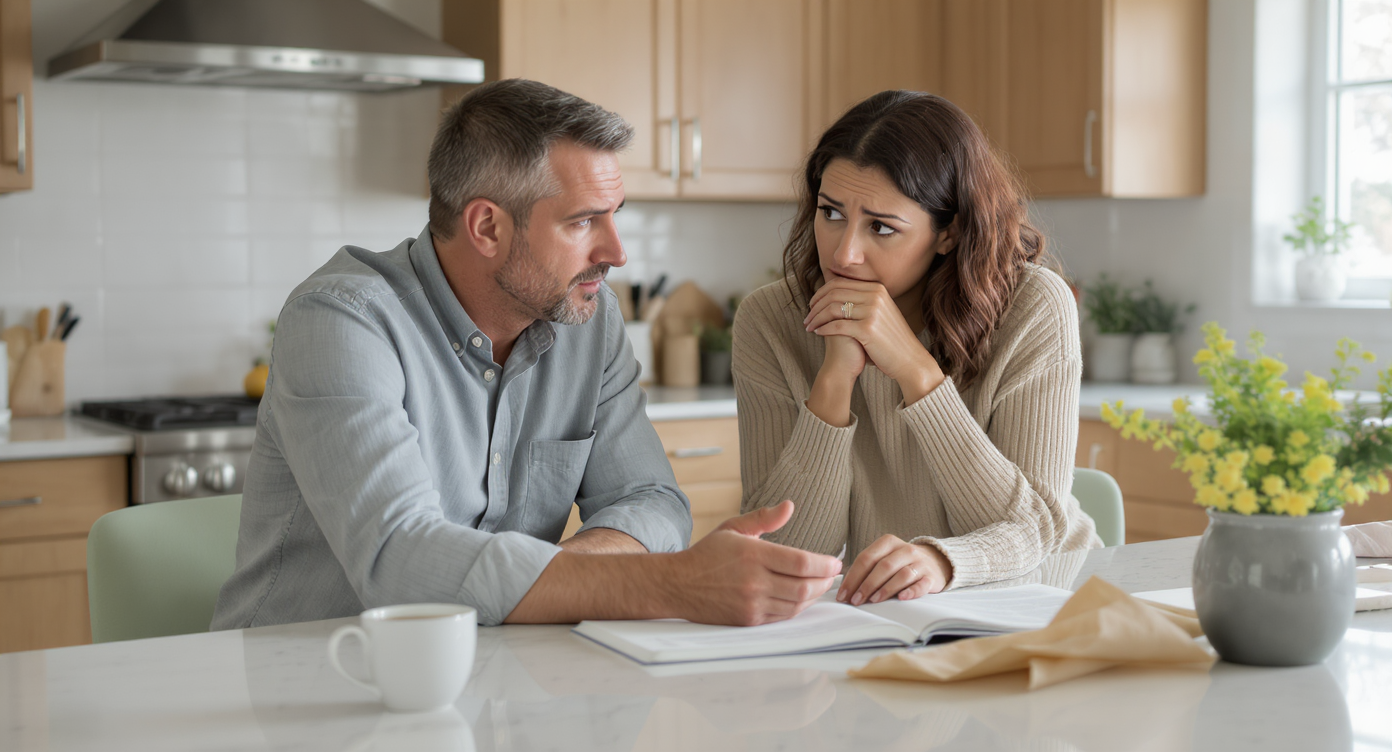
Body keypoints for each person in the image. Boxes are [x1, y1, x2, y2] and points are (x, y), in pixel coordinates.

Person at [212, 79, 840, 631]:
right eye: (583, 222)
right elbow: (401, 562)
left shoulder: (589, 322)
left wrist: (565, 573)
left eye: (616, 215)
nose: (618, 252)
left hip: (493, 678)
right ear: (487, 227)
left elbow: (653, 500)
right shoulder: (342, 319)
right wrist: (674, 583)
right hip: (304, 686)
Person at [732, 90, 1100, 610]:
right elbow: (782, 551)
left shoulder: (1033, 307)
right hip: (886, 614)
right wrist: (835, 381)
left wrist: (914, 370)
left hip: (1043, 598)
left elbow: (1032, 531)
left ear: (947, 233)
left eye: (881, 227)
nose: (844, 252)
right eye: (831, 213)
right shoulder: (771, 320)